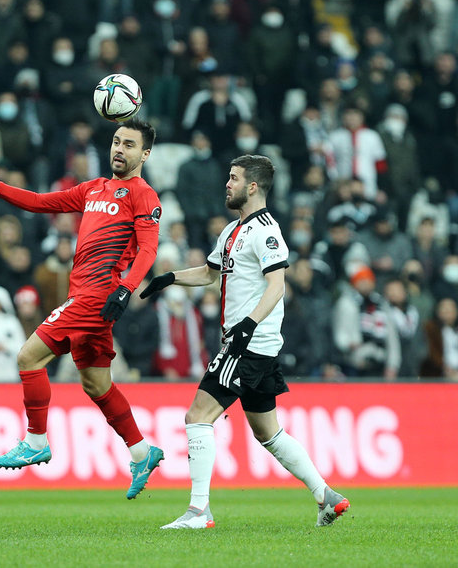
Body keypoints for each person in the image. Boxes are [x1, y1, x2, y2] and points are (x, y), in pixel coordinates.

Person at [0, 118, 164, 499]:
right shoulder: (93, 189)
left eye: (130, 145)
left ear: (145, 154)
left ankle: (36, 441)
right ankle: (142, 451)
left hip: (96, 296)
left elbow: (149, 248)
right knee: (96, 383)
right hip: (85, 294)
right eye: (117, 141)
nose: (120, 149)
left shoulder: (143, 195)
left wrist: (127, 289)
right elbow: (39, 202)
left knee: (28, 357)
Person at [140, 154, 349, 529]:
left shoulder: (267, 231)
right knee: (268, 432)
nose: (227, 184)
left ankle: (198, 511)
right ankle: (325, 496)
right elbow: (208, 273)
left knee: (197, 416)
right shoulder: (232, 230)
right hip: (252, 343)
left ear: (252, 187)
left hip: (247, 344)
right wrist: (169, 278)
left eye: (233, 178)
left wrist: (248, 327)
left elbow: (277, 285)